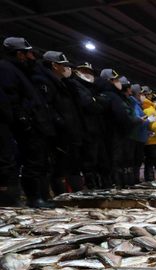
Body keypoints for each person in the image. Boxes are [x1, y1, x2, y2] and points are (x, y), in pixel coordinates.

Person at [35, 51, 85, 194]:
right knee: (59, 170)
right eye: (64, 65)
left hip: (70, 133)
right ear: (54, 65)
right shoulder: (43, 81)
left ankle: (76, 196)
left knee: (72, 167)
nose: (67, 69)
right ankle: (61, 198)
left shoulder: (65, 84)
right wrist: (61, 124)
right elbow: (47, 108)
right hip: (58, 134)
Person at [68, 62, 107, 189]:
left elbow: (102, 104)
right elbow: (89, 104)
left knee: (96, 159)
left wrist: (96, 101)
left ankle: (96, 185)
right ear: (77, 71)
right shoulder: (76, 84)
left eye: (89, 72)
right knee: (87, 161)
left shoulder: (92, 88)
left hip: (96, 128)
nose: (87, 74)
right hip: (85, 128)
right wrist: (96, 101)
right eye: (84, 71)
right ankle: (90, 186)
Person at [128, 84, 151, 185]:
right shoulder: (133, 103)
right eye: (141, 93)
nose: (142, 96)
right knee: (135, 161)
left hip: (140, 137)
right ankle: (134, 181)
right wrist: (147, 119)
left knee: (138, 160)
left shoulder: (137, 104)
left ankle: (135, 180)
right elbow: (138, 119)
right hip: (136, 137)